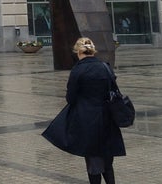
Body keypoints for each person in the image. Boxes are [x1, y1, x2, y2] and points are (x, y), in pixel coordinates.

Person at [42, 37, 126, 184]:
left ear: (78, 52)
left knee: (93, 162)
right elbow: (114, 91)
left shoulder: (78, 70)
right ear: (93, 51)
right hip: (107, 119)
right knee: (107, 162)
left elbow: (71, 98)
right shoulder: (105, 67)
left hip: (88, 121)